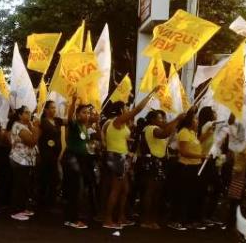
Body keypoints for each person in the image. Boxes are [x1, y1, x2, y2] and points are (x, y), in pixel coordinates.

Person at [101, 88, 158, 230]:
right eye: (126, 107)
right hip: (116, 157)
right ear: (121, 110)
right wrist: (150, 94)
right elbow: (138, 109)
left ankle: (120, 217)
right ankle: (108, 219)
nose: (128, 109)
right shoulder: (118, 121)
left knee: (125, 189)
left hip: (120, 156)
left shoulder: (119, 123)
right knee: (116, 189)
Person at [138, 110, 184, 229]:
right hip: (152, 163)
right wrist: (177, 119)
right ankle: (146, 219)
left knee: (157, 192)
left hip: (160, 163)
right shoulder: (151, 128)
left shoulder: (160, 129)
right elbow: (164, 134)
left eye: (164, 118)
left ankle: (152, 219)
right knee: (150, 191)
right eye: (160, 118)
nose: (163, 120)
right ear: (152, 120)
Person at [169, 108, 212, 231]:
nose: (197, 121)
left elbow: (195, 144)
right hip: (185, 167)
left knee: (191, 195)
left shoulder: (192, 133)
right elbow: (184, 152)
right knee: (183, 194)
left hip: (194, 167)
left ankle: (187, 220)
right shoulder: (183, 132)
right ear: (189, 120)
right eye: (195, 118)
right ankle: (176, 220)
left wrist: (206, 135)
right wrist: (202, 156)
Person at [62, 96, 92, 229]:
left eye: (88, 113)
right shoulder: (74, 125)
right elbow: (69, 118)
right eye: (84, 112)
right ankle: (73, 219)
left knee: (78, 190)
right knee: (75, 189)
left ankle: (72, 218)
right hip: (71, 160)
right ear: (78, 114)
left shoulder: (84, 127)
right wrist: (73, 103)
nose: (87, 115)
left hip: (81, 160)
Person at [8, 106, 40, 221]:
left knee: (24, 185)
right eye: (26, 113)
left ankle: (21, 208)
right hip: (19, 160)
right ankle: (15, 211)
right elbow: (31, 142)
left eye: (30, 112)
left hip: (26, 161)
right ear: (20, 115)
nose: (29, 115)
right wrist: (36, 129)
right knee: (19, 186)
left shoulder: (27, 126)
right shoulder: (19, 126)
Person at [37, 100, 65, 207]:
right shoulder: (42, 122)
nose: (54, 110)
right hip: (45, 154)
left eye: (55, 107)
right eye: (52, 108)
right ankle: (41, 202)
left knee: (55, 179)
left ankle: (51, 202)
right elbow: (38, 137)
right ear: (46, 109)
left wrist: (72, 105)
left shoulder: (57, 121)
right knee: (44, 178)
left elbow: (70, 120)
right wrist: (39, 153)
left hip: (55, 155)